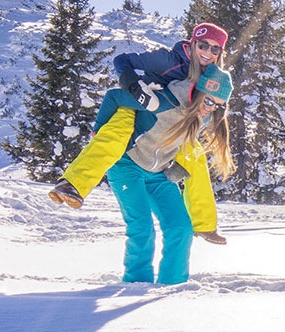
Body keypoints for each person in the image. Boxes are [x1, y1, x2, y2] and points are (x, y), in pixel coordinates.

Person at [48, 22, 229, 207]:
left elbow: (201, 118)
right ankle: (72, 185)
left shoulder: (211, 76)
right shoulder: (168, 60)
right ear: (193, 43)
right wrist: (134, 86)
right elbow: (121, 61)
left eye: (215, 49)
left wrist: (181, 165)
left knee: (195, 153)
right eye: (203, 45)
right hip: (137, 106)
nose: (208, 52)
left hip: (164, 122)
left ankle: (204, 224)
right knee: (116, 136)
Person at [86, 64, 236, 284]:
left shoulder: (202, 117)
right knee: (142, 228)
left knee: (181, 228)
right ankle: (136, 284)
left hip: (158, 173)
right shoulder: (165, 101)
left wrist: (177, 167)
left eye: (218, 106)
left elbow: (183, 143)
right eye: (209, 100)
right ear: (199, 93)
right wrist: (97, 133)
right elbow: (115, 97)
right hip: (128, 165)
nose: (211, 108)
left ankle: (173, 285)